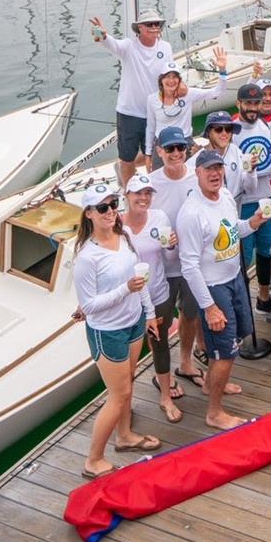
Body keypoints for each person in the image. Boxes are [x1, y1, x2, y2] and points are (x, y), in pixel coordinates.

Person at [72, 183, 162, 477]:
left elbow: (139, 277)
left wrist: (148, 314)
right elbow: (89, 306)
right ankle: (93, 460)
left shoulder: (123, 238)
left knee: (127, 385)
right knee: (118, 395)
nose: (110, 211)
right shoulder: (87, 258)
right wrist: (125, 290)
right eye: (102, 208)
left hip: (133, 323)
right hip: (107, 331)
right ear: (88, 214)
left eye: (112, 205)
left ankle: (124, 437)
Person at [176, 149, 269, 428]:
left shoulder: (226, 196)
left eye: (218, 167)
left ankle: (214, 384)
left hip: (235, 279)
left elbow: (233, 230)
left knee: (234, 342)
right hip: (214, 288)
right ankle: (214, 412)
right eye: (208, 169)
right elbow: (189, 266)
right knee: (225, 352)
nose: (215, 173)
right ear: (197, 173)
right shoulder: (191, 213)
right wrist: (210, 306)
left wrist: (253, 223)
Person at [90, 8, 176, 187]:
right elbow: (110, 43)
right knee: (127, 158)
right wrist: (102, 34)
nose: (154, 27)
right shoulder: (129, 46)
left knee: (153, 156)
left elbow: (171, 75)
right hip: (128, 113)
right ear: (140, 28)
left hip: (154, 112)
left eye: (157, 24)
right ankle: (129, 193)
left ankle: (150, 189)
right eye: (149, 24)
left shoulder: (165, 47)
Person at [121, 173, 182, 423]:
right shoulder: (116, 225)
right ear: (127, 196)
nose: (143, 198)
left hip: (158, 294)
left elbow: (169, 260)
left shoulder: (159, 218)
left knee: (160, 343)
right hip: (130, 300)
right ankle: (125, 404)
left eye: (148, 193)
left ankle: (165, 396)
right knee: (128, 354)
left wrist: (171, 247)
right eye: (138, 193)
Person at [149, 125, 203, 389]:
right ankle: (164, 377)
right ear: (159, 151)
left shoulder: (197, 176)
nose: (175, 153)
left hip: (192, 264)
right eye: (169, 148)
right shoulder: (151, 183)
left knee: (191, 315)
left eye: (180, 147)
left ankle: (186, 362)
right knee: (161, 325)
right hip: (163, 269)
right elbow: (140, 224)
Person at [233, 83, 271, 313]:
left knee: (267, 249)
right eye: (248, 103)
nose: (252, 108)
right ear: (239, 104)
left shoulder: (265, 125)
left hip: (266, 196)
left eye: (256, 103)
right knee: (241, 257)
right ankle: (242, 305)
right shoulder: (230, 130)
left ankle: (263, 297)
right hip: (243, 203)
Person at [144, 52, 228, 169]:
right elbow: (150, 128)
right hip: (162, 144)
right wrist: (148, 154)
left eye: (175, 77)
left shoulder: (188, 94)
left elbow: (218, 92)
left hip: (185, 143)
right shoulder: (152, 99)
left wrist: (222, 70)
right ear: (161, 80)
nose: (171, 81)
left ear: (179, 80)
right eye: (167, 76)